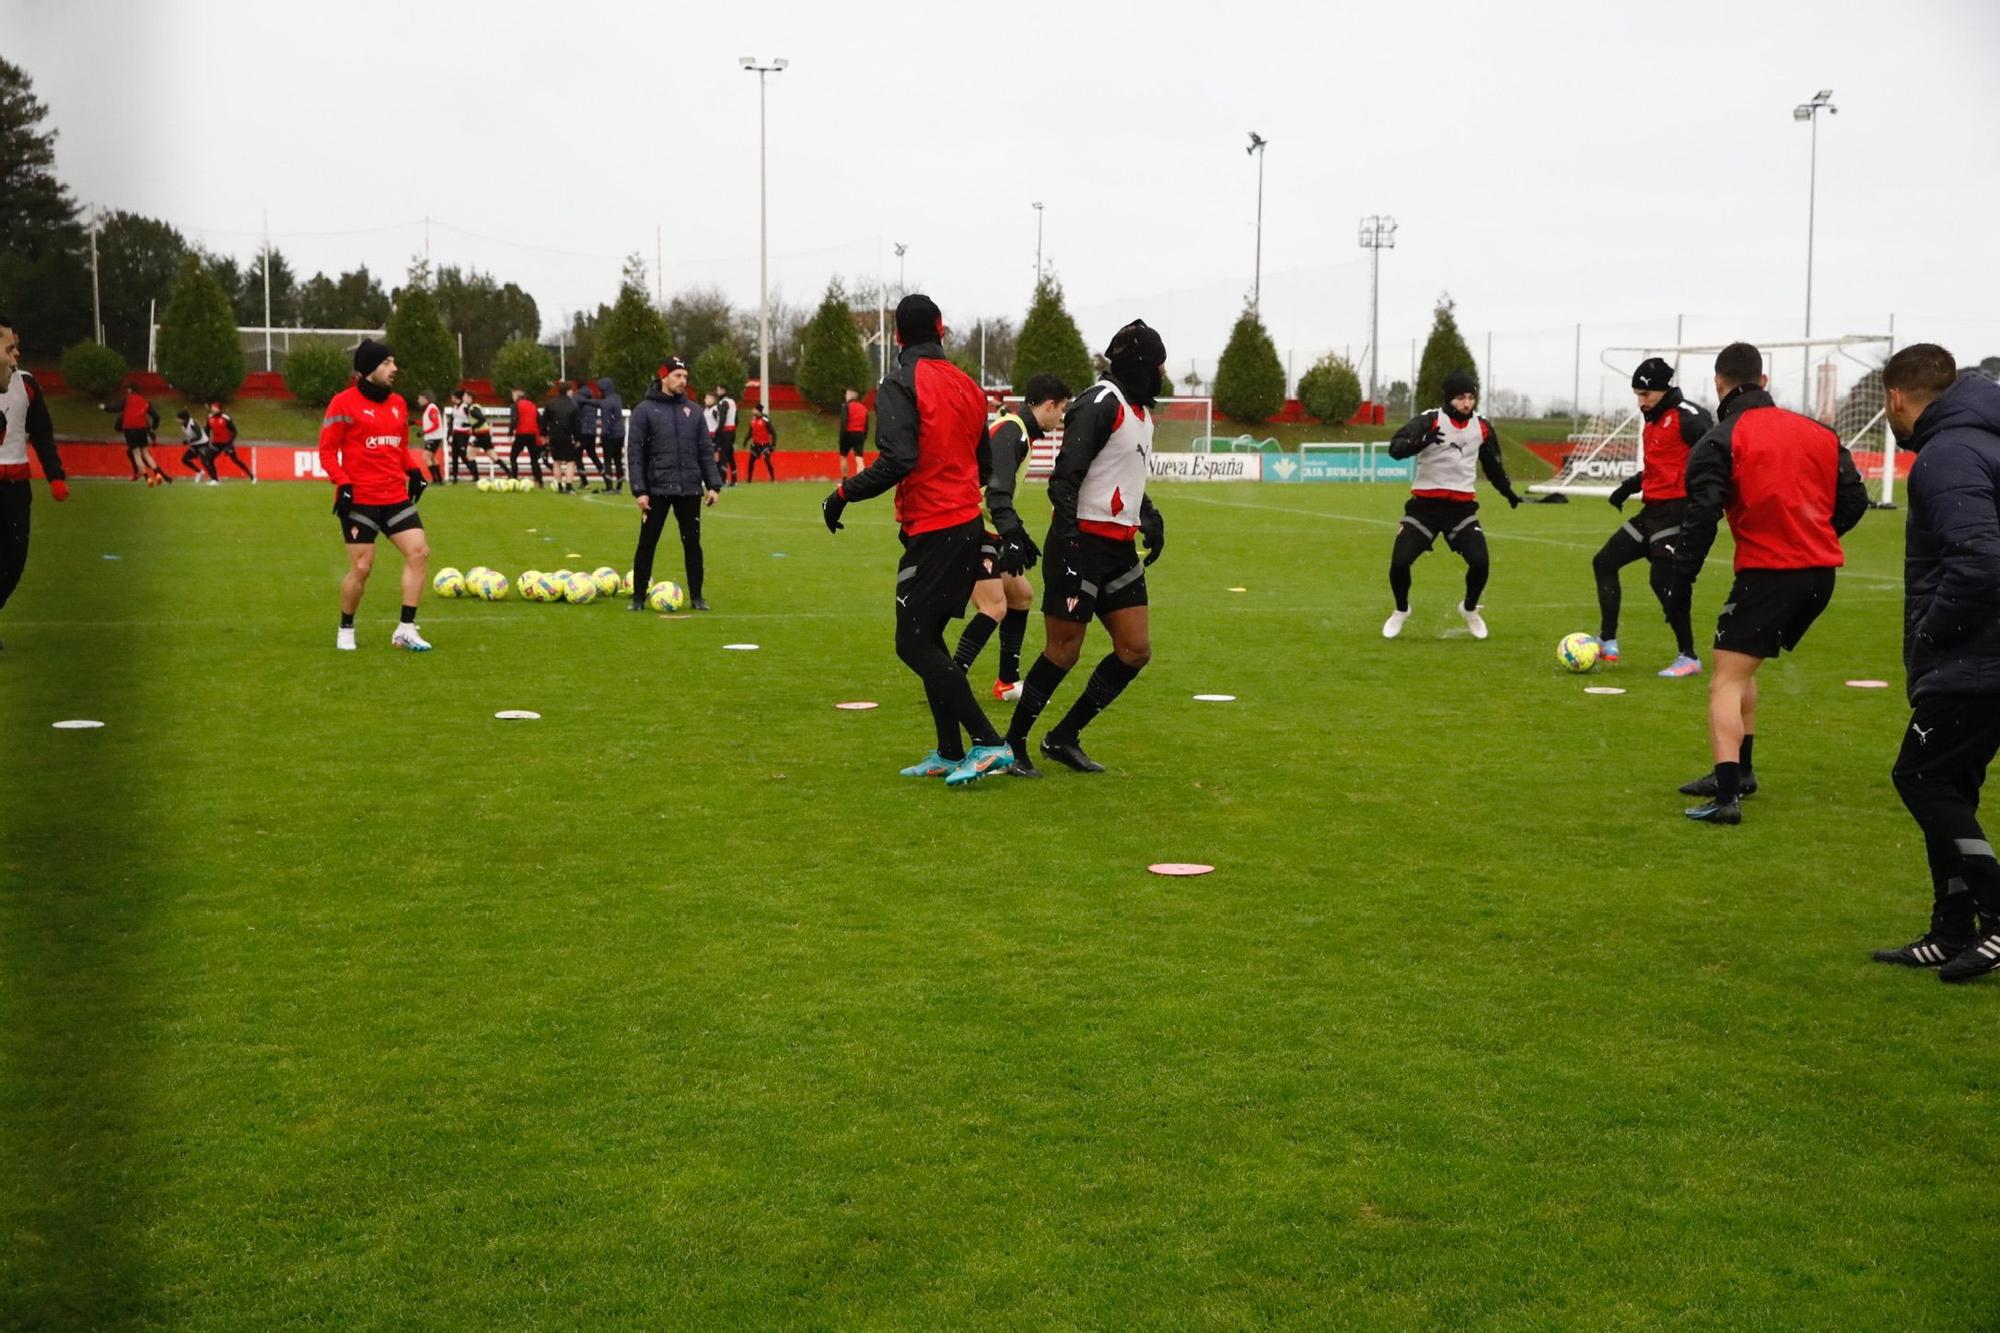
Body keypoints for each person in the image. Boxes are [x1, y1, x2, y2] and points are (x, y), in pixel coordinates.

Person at [820, 293, 1013, 786]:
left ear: (898, 336)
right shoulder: (969, 387)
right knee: (928, 638)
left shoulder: (899, 381)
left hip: (935, 526)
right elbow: (985, 463)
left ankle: (989, 743)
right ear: (941, 329)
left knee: (912, 642)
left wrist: (843, 492)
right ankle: (950, 751)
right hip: (962, 521)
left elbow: (898, 459)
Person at [1673, 341, 1869, 824]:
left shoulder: (1721, 438)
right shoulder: (1819, 432)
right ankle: (1742, 772)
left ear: (1719, 383)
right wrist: (1814, 537)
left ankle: (1726, 798)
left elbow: (1702, 515)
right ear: (1763, 381)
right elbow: (1855, 501)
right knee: (1744, 669)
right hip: (1821, 576)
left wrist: (1681, 576)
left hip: (1769, 575)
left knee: (1725, 679)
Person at [1869, 345, 2000, 981]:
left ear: (1897, 398)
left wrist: (1933, 633)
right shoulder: (1982, 440)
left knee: (1921, 778)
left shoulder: (1947, 453)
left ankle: (1995, 913)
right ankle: (1951, 928)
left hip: (1975, 657)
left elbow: (1980, 559)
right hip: (1983, 656)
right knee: (1951, 785)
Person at [1000, 320, 1168, 777]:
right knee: (1064, 650)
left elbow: (1121, 475)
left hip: (1118, 549)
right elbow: (1065, 477)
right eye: (1158, 363)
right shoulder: (1100, 403)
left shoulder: (1140, 412)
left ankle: (1062, 737)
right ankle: (1012, 744)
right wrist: (1072, 540)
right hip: (1079, 545)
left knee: (1135, 650)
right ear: (1140, 365)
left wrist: (1147, 516)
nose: (1163, 371)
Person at [954, 373, 1070, 701]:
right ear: (1048, 405)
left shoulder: (1018, 432)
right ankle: (949, 678)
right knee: (994, 606)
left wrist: (1016, 533)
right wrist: (1012, 535)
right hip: (970, 526)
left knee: (1021, 595)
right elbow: (996, 492)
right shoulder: (1011, 432)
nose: (1061, 417)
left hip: (986, 526)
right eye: (1061, 409)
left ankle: (1006, 682)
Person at [1381, 370, 1521, 641]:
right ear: (1449, 399)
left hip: (1461, 511)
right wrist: (1421, 442)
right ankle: (1401, 610)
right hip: (1424, 508)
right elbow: (1395, 448)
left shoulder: (1482, 427)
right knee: (1400, 562)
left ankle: (1469, 608)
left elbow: (1493, 466)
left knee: (1480, 562)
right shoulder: (1430, 420)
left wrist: (1508, 493)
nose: (1467, 403)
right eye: (1460, 398)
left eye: (1470, 397)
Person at [1595, 358, 1712, 675]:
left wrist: (1704, 510)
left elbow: (1717, 457)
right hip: (1653, 511)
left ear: (1664, 389)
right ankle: (1607, 640)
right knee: (1604, 562)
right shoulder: (1653, 418)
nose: (1640, 401)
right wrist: (1627, 487)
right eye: (1637, 394)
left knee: (1662, 582)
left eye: (1645, 394)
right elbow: (1661, 467)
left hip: (1679, 514)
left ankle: (1689, 657)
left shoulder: (1690, 417)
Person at [320, 338, 433, 652]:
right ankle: (346, 627)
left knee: (419, 552)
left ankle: (406, 629)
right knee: (362, 568)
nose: (394, 368)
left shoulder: (397, 403)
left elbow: (398, 448)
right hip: (359, 500)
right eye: (387, 363)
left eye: (393, 362)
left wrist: (413, 472)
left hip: (394, 495)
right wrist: (341, 483)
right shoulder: (342, 403)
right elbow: (327, 452)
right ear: (369, 368)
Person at [626, 356, 721, 611]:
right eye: (678, 376)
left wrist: (713, 485)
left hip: (689, 489)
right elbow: (635, 454)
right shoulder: (644, 411)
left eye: (685, 377)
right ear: (664, 377)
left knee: (692, 544)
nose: (683, 381)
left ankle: (697, 597)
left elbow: (705, 451)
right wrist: (640, 490)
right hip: (656, 490)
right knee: (647, 543)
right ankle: (637, 599)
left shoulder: (694, 412)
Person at [0, 312, 71, 650]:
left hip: (15, 487)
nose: (16, 355)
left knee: (14, 561)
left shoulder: (26, 384)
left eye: (17, 347)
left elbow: (41, 432)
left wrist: (55, 475)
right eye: (9, 348)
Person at [110, 383, 168, 485]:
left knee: (136, 454)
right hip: (142, 430)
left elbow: (116, 412)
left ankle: (147, 478)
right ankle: (157, 473)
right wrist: (154, 428)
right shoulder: (144, 403)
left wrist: (104, 407)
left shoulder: (127, 406)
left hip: (130, 431)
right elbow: (155, 417)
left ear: (130, 390)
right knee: (146, 453)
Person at [545, 380, 581, 492]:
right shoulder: (573, 405)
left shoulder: (550, 403)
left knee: (556, 461)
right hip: (567, 436)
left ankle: (559, 485)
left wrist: (544, 434)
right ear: (568, 391)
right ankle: (569, 486)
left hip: (553, 436)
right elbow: (576, 424)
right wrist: (578, 438)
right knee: (570, 461)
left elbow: (544, 420)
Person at [205, 399, 254, 479]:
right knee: (208, 459)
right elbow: (206, 430)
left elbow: (234, 431)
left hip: (226, 443)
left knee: (235, 460)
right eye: (212, 407)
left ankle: (251, 476)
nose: (212, 409)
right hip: (216, 443)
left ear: (219, 409)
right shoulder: (209, 418)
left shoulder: (226, 418)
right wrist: (207, 442)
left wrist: (229, 443)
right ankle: (215, 479)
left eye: (214, 408)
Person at [506, 386, 544, 485]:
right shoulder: (532, 405)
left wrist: (510, 432)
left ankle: (514, 479)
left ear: (517, 395)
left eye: (513, 395)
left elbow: (514, 419)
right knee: (534, 459)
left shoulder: (515, 405)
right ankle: (540, 481)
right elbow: (540, 420)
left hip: (521, 434)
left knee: (513, 457)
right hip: (532, 435)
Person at [596, 377, 626, 493]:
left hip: (610, 435)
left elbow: (606, 422)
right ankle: (619, 486)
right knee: (618, 460)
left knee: (608, 461)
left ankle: (609, 486)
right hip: (620, 433)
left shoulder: (605, 403)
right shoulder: (617, 398)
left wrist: (601, 437)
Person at [574, 380, 606, 487]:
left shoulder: (577, 399)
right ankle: (606, 477)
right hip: (592, 432)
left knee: (577, 455)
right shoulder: (592, 400)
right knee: (593, 455)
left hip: (582, 431)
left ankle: (584, 481)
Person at [446, 388, 480, 483]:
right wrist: (448, 434)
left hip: (464, 435)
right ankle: (455, 477)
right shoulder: (454, 407)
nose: (451, 398)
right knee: (454, 456)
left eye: (452, 396)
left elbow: (473, 419)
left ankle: (475, 475)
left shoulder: (465, 407)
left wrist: (468, 425)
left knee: (464, 456)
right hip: (456, 434)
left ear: (456, 397)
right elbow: (452, 421)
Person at [176, 408, 217, 483]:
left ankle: (214, 479)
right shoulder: (183, 425)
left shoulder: (192, 424)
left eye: (179, 418)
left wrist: (188, 441)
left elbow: (199, 436)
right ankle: (199, 472)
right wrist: (189, 442)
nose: (177, 420)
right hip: (195, 445)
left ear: (184, 419)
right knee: (185, 459)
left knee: (205, 461)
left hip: (203, 443)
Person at [838, 387, 870, 479]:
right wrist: (864, 436)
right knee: (859, 457)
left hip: (848, 433)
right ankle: (861, 478)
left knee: (843, 456)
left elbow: (844, 421)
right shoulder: (864, 408)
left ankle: (844, 479)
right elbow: (866, 425)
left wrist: (842, 437)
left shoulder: (846, 406)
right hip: (860, 434)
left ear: (850, 396)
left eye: (847, 394)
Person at [416, 390, 447, 484]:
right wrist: (415, 422)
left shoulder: (432, 408)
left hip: (434, 437)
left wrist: (424, 432)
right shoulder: (429, 408)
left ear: (425, 398)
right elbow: (428, 423)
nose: (418, 400)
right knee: (432, 458)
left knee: (426, 457)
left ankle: (435, 479)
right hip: (433, 437)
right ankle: (439, 480)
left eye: (420, 398)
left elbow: (436, 424)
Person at [711, 382, 738, 485]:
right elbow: (736, 419)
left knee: (723, 456)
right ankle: (734, 479)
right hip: (732, 431)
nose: (717, 392)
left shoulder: (723, 403)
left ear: (723, 390)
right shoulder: (732, 402)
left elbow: (722, 419)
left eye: (718, 389)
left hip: (725, 432)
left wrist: (717, 432)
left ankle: (723, 479)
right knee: (730, 455)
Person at [744, 404, 777, 482]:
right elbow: (750, 432)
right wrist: (745, 441)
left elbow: (773, 433)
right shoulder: (752, 420)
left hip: (765, 445)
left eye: (754, 409)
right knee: (751, 462)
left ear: (758, 411)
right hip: (755, 445)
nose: (752, 411)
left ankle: (773, 479)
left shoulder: (765, 420)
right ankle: (749, 480)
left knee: (767, 461)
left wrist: (773, 445)